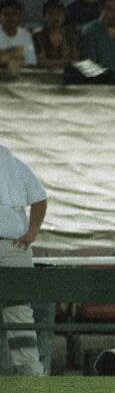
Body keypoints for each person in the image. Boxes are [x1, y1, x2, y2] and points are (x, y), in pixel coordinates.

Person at [0, 145, 47, 376]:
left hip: (13, 246)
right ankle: (31, 376)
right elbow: (40, 198)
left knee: (19, 313)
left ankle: (31, 375)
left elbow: (39, 198)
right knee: (19, 314)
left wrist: (32, 232)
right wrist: (32, 232)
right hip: (14, 248)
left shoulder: (14, 164)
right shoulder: (15, 164)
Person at [33, 1, 79, 69]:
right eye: (50, 13)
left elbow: (75, 59)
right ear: (44, 17)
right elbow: (40, 62)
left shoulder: (71, 34)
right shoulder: (38, 35)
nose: (54, 17)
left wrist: (50, 63)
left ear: (64, 15)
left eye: (58, 13)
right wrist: (65, 61)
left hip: (67, 75)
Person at [0, 0, 36, 68]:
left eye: (15, 14)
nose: (11, 17)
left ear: (20, 16)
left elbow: (31, 63)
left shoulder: (26, 35)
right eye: (6, 14)